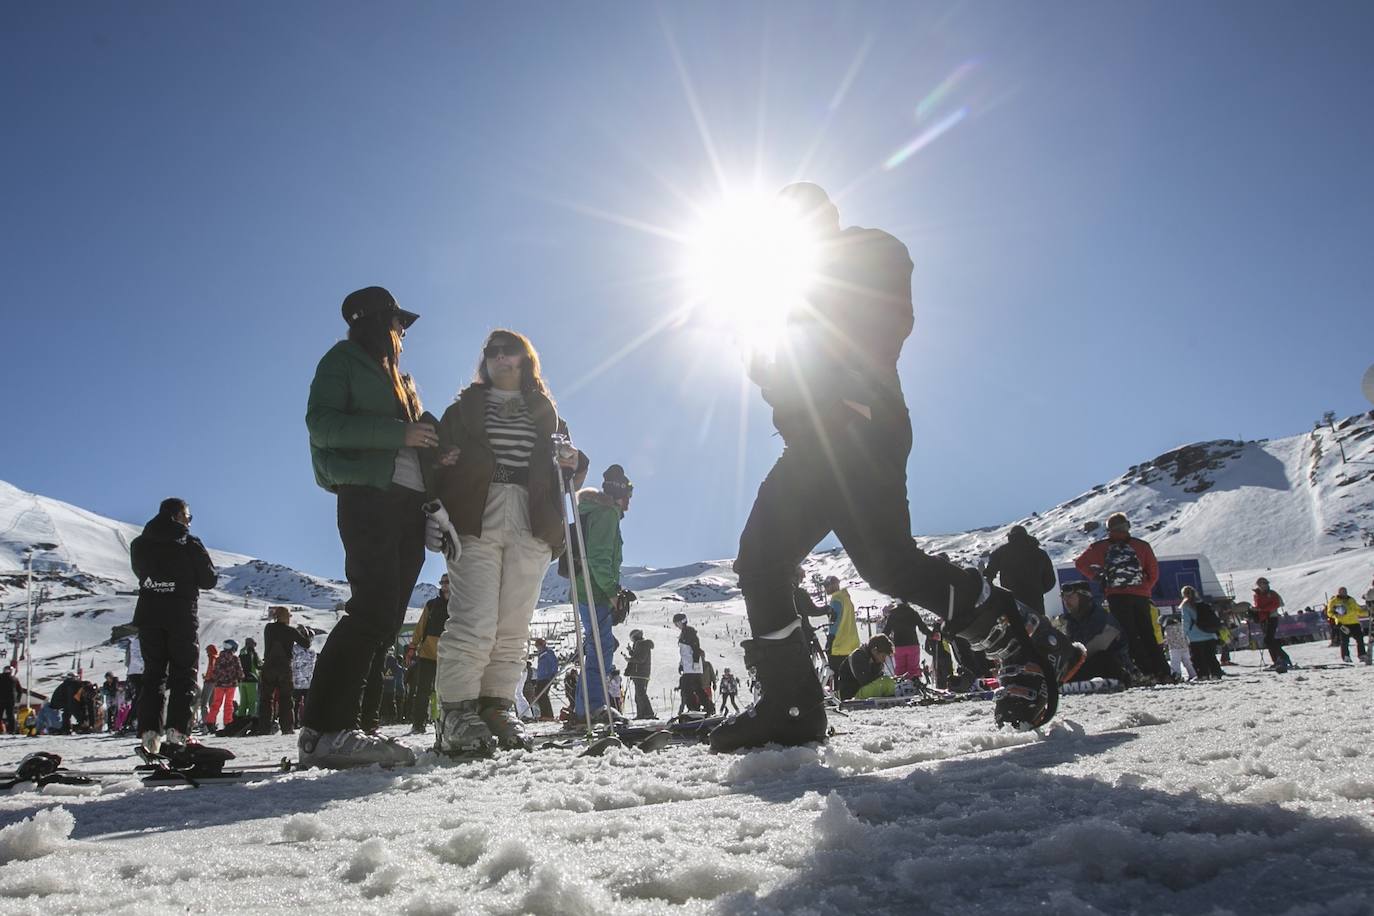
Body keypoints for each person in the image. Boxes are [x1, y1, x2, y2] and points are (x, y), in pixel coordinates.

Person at [712, 183, 1083, 753]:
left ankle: (1025, 641)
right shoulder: (769, 292)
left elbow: (885, 314)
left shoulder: (867, 249)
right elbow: (769, 363)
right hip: (815, 435)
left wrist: (854, 393)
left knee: (827, 561)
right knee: (844, 565)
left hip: (857, 428)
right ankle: (794, 703)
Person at [431, 329, 581, 755]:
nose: (500, 358)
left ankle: (497, 706)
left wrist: (572, 462)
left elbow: (566, 464)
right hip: (476, 511)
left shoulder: (545, 411)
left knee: (513, 625)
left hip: (532, 516)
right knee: (474, 618)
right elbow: (436, 462)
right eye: (491, 352)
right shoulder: (462, 410)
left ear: (525, 359)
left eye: (508, 351)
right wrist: (435, 501)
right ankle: (456, 712)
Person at [300, 286, 430, 768]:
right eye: (399, 324)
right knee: (370, 611)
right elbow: (322, 426)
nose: (402, 335)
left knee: (387, 620)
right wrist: (400, 433)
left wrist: (435, 449)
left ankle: (362, 727)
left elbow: (413, 441)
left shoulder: (400, 378)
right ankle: (325, 731)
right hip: (369, 497)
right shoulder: (343, 361)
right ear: (379, 322)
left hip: (408, 505)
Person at [130, 497, 217, 754]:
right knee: (184, 672)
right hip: (180, 614)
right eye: (188, 517)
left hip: (148, 614)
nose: (189, 522)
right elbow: (209, 579)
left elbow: (140, 573)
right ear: (178, 516)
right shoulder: (189, 543)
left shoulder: (140, 544)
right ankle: (178, 732)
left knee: (153, 674)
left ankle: (149, 733)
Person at [568, 465, 633, 726]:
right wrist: (612, 593)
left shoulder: (599, 511)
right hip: (594, 593)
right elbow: (599, 558)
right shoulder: (606, 514)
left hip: (588, 591)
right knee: (601, 648)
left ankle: (589, 707)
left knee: (601, 646)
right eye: (628, 495)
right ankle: (591, 709)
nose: (629, 502)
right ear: (620, 494)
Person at [1074, 513, 1169, 683]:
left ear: (1109, 528)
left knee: (1128, 635)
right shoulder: (1142, 546)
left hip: (1116, 595)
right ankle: (1163, 672)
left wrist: (1098, 578)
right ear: (1127, 526)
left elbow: (1080, 563)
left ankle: (1144, 672)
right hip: (1140, 596)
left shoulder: (1100, 547)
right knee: (1147, 633)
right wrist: (1144, 588)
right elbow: (1154, 572)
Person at [1055, 581, 1138, 685]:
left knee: (1103, 657)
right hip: (1086, 665)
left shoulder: (1103, 619)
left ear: (1083, 597)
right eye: (1063, 597)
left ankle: (1127, 678)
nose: (1066, 601)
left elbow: (1092, 649)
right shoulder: (1072, 621)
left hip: (1113, 665)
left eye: (1070, 597)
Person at [406, 577, 450, 734]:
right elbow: (420, 626)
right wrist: (412, 647)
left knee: (449, 692)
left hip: (449, 656)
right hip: (427, 654)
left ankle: (448, 723)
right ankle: (418, 723)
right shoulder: (432, 605)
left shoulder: (459, 606)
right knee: (423, 691)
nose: (445, 586)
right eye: (443, 583)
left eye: (448, 582)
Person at [259, 607, 312, 735]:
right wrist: (304, 633)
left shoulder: (268, 628)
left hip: (269, 667)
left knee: (266, 698)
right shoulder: (290, 631)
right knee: (286, 698)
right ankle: (287, 728)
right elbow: (306, 644)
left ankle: (264, 728)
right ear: (285, 616)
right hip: (284, 668)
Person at [984, 525, 1057, 613]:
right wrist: (1038, 591)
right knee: (1038, 624)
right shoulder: (1040, 554)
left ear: (1010, 536)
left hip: (1012, 601)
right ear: (1026, 536)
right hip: (1035, 602)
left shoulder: (1002, 552)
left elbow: (989, 574)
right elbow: (1050, 580)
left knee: (1014, 625)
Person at [1180, 587, 1223, 679]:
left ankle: (1203, 675)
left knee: (1198, 657)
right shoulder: (1203, 603)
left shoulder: (1186, 606)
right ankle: (1216, 673)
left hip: (1195, 636)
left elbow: (1186, 622)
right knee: (1211, 656)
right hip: (1209, 634)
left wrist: (1183, 634)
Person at [674, 613, 713, 714]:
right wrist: (681, 664)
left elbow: (695, 648)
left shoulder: (689, 632)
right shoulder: (684, 633)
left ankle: (694, 709)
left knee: (687, 689)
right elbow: (684, 653)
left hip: (692, 666)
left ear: (682, 621)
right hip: (688, 665)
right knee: (696, 687)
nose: (676, 625)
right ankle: (707, 708)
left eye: (677, 623)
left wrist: (695, 662)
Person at [836, 634, 895, 701]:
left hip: (862, 690)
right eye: (883, 656)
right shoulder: (858, 656)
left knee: (889, 681)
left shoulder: (874, 659)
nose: (884, 660)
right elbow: (865, 680)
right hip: (852, 694)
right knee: (886, 682)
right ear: (874, 651)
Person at [822, 576, 861, 677]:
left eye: (827, 586)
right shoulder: (846, 598)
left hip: (839, 646)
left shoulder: (836, 599)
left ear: (834, 585)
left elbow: (835, 622)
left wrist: (830, 639)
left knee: (837, 679)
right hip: (852, 645)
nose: (825, 588)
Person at [1252, 578, 1293, 671]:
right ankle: (1277, 661)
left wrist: (1261, 609)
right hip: (1262, 619)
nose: (1263, 585)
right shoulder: (1257, 595)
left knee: (1268, 639)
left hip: (1272, 617)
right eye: (1261, 584)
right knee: (1269, 641)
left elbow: (1276, 604)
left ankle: (1284, 658)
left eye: (1265, 583)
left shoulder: (1272, 594)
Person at [881, 601, 924, 680]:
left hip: (899, 646)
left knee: (900, 671)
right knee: (913, 670)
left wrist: (879, 642)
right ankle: (914, 687)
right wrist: (932, 635)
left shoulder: (893, 615)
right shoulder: (913, 612)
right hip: (913, 644)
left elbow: (886, 631)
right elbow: (923, 628)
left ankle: (901, 688)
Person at [1326, 587, 1369, 664]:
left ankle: (1362, 655)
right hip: (1343, 623)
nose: (1344, 593)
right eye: (1342, 592)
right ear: (1338, 592)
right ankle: (1346, 656)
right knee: (1344, 641)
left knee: (1360, 639)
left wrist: (1367, 613)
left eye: (1345, 591)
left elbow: (1358, 610)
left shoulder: (1351, 599)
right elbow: (1329, 613)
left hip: (1354, 622)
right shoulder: (1334, 601)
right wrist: (1336, 614)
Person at [207, 638, 243, 730]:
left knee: (216, 704)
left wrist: (216, 679)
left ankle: (210, 722)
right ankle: (228, 723)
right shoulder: (235, 658)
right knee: (228, 704)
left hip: (219, 685)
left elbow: (215, 671)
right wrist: (240, 677)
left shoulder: (219, 658)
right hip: (231, 685)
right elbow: (239, 672)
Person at [291, 637, 317, 727]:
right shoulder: (312, 651)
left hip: (297, 682)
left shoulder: (294, 649)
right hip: (308, 682)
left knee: (295, 704)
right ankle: (307, 722)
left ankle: (294, 722)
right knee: (307, 704)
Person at [531, 637, 558, 720]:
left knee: (543, 695)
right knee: (539, 695)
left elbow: (554, 663)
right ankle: (544, 714)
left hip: (547, 677)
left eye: (538, 646)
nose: (538, 648)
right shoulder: (541, 654)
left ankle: (548, 715)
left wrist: (553, 674)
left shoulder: (548, 653)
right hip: (541, 678)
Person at [1162, 617, 1196, 681]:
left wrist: (1164, 643)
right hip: (1184, 647)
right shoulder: (1180, 626)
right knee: (1188, 662)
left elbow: (1168, 639)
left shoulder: (1168, 628)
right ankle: (1193, 674)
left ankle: (1177, 676)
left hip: (1174, 648)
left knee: (1175, 663)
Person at [236, 638, 261, 720]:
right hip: (252, 680)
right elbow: (258, 665)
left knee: (243, 701)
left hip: (241, 680)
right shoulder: (253, 653)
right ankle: (251, 719)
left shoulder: (241, 652)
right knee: (252, 702)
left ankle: (240, 719)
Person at [198, 645, 218, 731]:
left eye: (207, 650)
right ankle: (212, 723)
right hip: (215, 682)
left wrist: (207, 677)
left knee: (203, 703)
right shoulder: (217, 657)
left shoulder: (212, 657)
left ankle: (206, 724)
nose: (206, 652)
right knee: (212, 703)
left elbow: (211, 668)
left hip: (209, 682)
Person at [0, 666, 20, 734]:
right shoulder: (14, 678)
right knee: (10, 715)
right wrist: (18, 699)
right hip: (11, 700)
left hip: (1, 699)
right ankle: (12, 730)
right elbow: (20, 690)